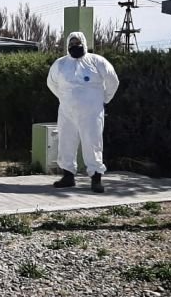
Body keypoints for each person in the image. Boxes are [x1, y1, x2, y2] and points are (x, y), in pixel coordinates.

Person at [46, 31, 119, 193]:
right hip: (67, 112)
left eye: (77, 43)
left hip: (92, 113)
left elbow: (113, 81)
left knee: (92, 144)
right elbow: (51, 83)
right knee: (66, 143)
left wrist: (104, 99)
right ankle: (68, 176)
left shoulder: (97, 61)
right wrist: (64, 98)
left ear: (84, 43)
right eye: (71, 43)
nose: (74, 46)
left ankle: (96, 179)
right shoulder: (60, 64)